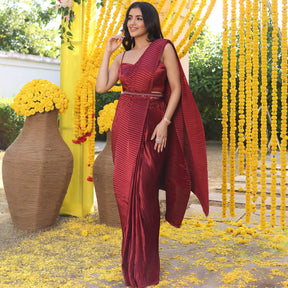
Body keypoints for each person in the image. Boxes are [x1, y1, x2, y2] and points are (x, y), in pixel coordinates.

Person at [96, 2, 209, 287]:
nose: (133, 22)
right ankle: (130, 266)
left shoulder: (163, 48)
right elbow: (101, 87)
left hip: (152, 125)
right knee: (123, 193)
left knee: (144, 194)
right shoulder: (122, 56)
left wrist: (166, 122)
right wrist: (108, 52)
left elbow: (177, 88)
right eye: (130, 18)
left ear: (149, 21)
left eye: (139, 18)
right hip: (125, 122)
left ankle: (145, 270)